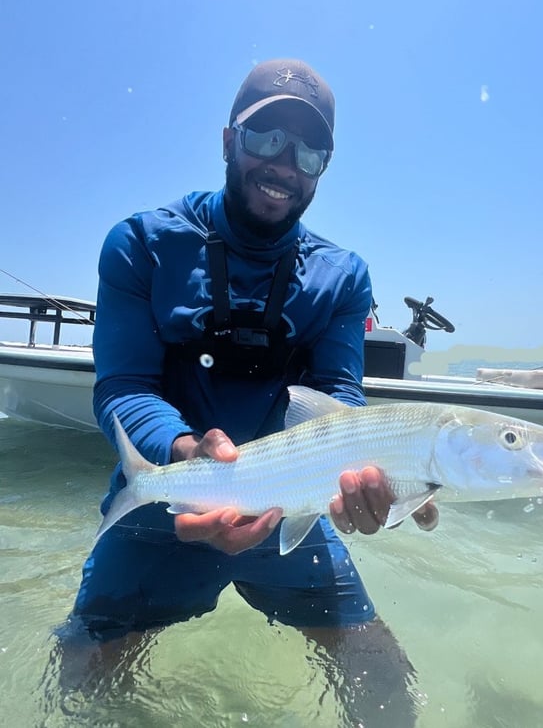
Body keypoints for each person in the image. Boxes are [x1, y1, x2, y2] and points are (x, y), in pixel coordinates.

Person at [58, 58, 438, 723]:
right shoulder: (142, 245)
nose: (285, 165)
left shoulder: (343, 277)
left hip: (291, 505)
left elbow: (337, 393)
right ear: (229, 140)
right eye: (266, 139)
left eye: (309, 151)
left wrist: (371, 476)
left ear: (324, 165)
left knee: (386, 682)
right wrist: (183, 452)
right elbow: (123, 387)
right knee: (82, 682)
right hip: (166, 506)